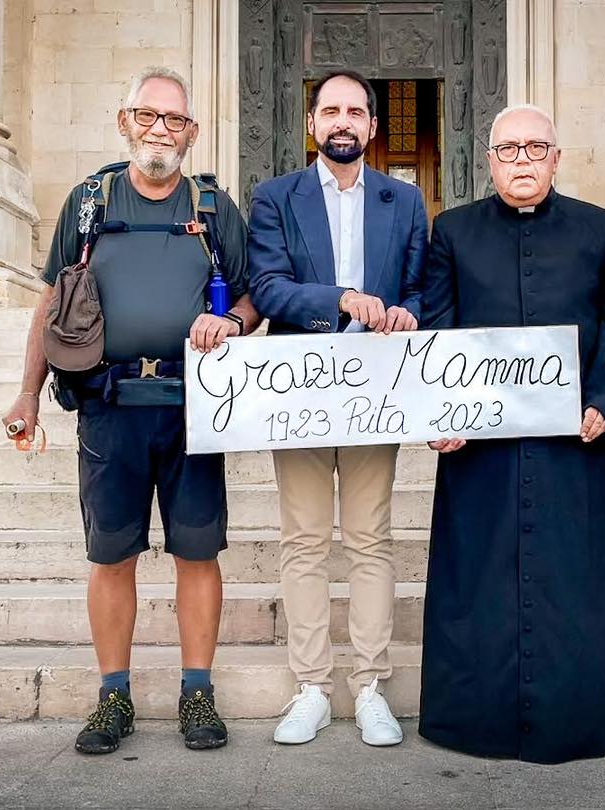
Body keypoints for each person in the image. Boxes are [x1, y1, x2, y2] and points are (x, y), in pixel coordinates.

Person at [2, 66, 261, 755]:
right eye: (148, 116)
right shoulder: (90, 201)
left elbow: (253, 294)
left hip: (194, 407)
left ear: (193, 134)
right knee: (112, 556)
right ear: (125, 122)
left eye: (174, 120)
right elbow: (52, 302)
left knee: (197, 553)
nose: (160, 131)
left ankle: (196, 693)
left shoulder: (212, 207)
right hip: (109, 407)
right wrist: (28, 393)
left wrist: (232, 324)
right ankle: (113, 696)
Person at [416, 104, 605, 764]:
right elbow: (438, 332)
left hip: (571, 443)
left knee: (572, 584)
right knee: (476, 579)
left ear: (556, 157)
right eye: (509, 150)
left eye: (535, 148)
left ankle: (575, 719)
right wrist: (442, 414)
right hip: (478, 451)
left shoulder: (599, 230)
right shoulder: (453, 232)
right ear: (489, 161)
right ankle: (472, 721)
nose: (522, 161)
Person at [247, 69, 428, 747]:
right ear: (313, 124)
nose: (343, 121)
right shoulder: (275, 198)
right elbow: (266, 286)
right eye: (331, 111)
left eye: (356, 111)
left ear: (374, 127)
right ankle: (312, 688)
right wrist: (342, 299)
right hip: (297, 389)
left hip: (376, 391)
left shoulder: (404, 201)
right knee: (302, 540)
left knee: (370, 538)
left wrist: (409, 313)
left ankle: (371, 685)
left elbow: (418, 285)